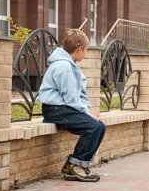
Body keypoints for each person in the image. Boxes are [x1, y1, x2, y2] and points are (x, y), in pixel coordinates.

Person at [37, 28, 105, 182]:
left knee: (99, 126)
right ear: (80, 49)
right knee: (93, 127)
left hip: (64, 108)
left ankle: (76, 164)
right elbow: (71, 97)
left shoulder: (72, 65)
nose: (86, 53)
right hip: (56, 109)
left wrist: (86, 112)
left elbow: (78, 94)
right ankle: (75, 166)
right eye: (86, 50)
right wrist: (86, 114)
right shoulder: (64, 67)